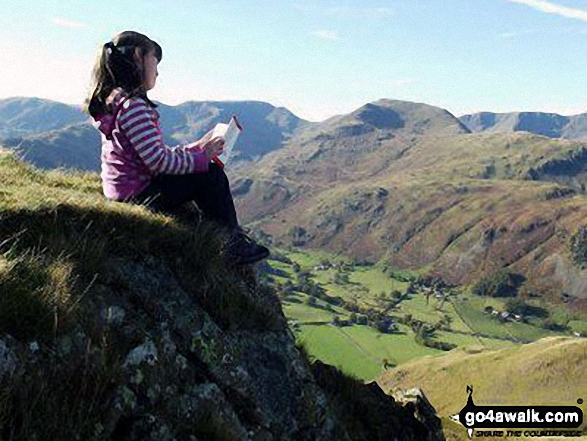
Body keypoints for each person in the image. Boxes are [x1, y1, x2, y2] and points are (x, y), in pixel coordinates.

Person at [84, 30, 269, 265]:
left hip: (124, 190)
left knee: (203, 172)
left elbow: (152, 153)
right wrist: (203, 158)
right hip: (139, 194)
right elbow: (159, 162)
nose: (158, 71)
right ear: (138, 57)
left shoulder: (116, 102)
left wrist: (198, 146)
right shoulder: (135, 107)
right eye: (155, 61)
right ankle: (230, 245)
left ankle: (228, 236)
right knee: (211, 176)